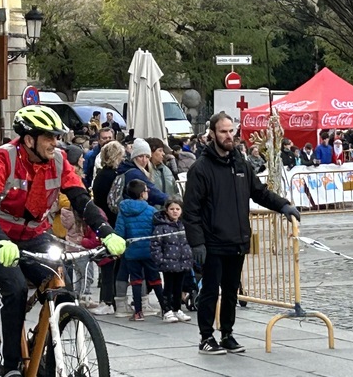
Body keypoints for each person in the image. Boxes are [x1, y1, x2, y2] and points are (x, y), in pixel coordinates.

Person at [0, 105, 127, 377]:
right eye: (49, 138)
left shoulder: (59, 160)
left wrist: (107, 231)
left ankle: (37, 343)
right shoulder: (4, 158)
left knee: (61, 288)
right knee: (15, 289)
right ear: (29, 140)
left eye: (56, 137)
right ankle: (12, 368)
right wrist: (0, 240)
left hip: (34, 236)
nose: (56, 143)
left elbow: (80, 198)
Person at [183, 112, 300, 355]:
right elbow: (191, 210)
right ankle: (206, 337)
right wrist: (197, 243)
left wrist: (283, 205)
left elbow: (259, 192)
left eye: (231, 131)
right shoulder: (201, 169)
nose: (228, 136)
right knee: (210, 290)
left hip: (237, 240)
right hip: (213, 241)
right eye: (223, 131)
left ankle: (227, 333)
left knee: (231, 290)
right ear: (212, 134)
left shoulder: (241, 164)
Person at [115, 179, 164, 322]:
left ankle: (138, 312)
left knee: (135, 281)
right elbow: (157, 231)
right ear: (142, 194)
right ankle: (165, 308)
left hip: (132, 252)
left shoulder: (123, 210)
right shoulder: (151, 210)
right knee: (155, 279)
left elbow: (119, 232)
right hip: (149, 251)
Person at [90, 140, 127, 315]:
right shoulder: (114, 176)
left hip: (102, 222)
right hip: (111, 223)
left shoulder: (100, 175)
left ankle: (108, 299)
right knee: (109, 264)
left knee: (108, 264)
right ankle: (108, 299)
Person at [153, 197, 193, 323]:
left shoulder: (184, 225)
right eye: (172, 209)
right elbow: (155, 244)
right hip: (168, 262)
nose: (175, 212)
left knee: (179, 287)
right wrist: (160, 260)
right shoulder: (161, 227)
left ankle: (176, 308)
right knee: (168, 287)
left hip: (182, 261)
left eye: (177, 209)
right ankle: (167, 310)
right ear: (166, 210)